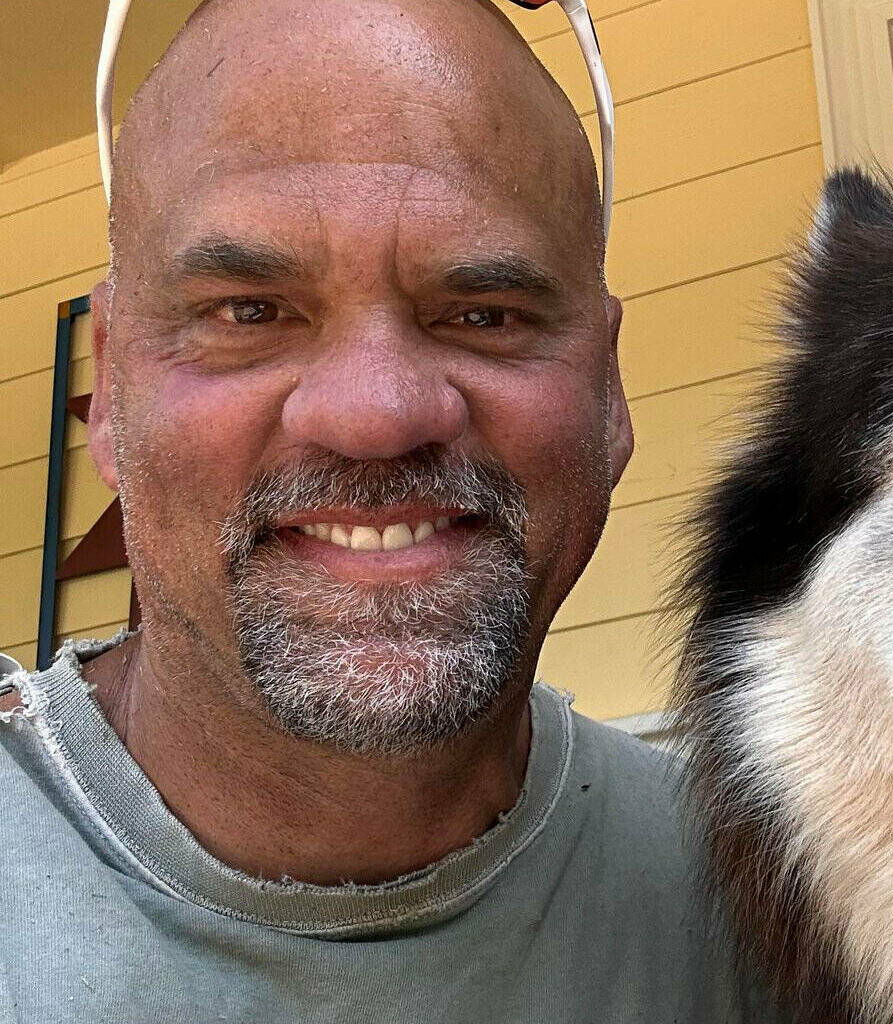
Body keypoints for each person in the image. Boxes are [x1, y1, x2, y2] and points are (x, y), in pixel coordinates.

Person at [0, 1, 781, 1020]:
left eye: (484, 314)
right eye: (249, 312)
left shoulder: (775, 912)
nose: (374, 414)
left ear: (610, 397)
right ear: (109, 393)